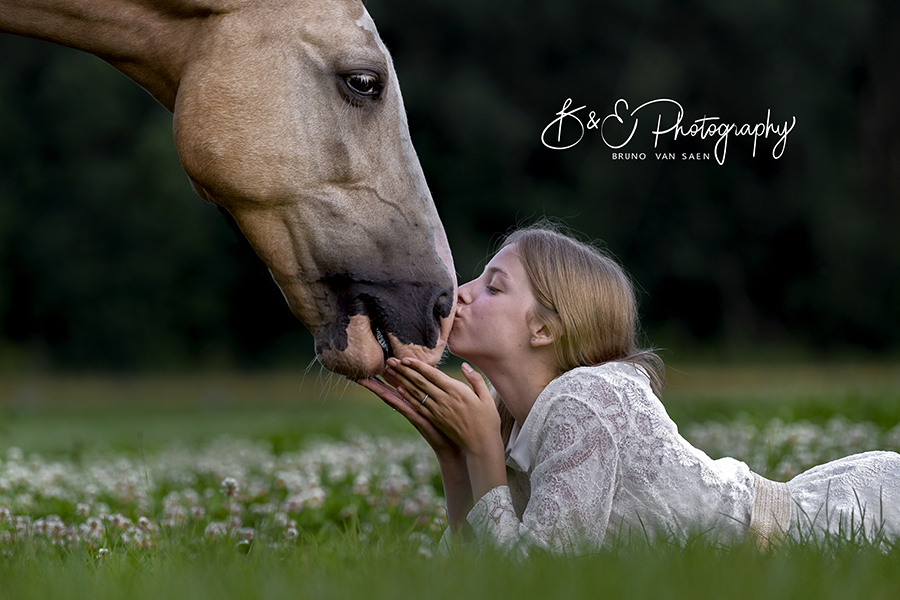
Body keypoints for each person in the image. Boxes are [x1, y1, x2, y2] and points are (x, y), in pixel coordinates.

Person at [358, 224, 900, 554]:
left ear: (544, 329)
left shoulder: (585, 405)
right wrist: (457, 459)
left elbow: (532, 582)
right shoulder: (515, 417)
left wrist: (482, 455)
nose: (463, 294)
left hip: (843, 522)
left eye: (493, 286)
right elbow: (473, 581)